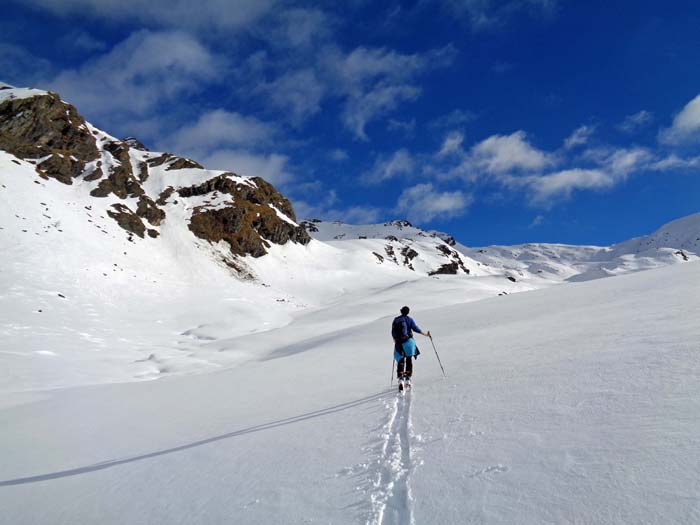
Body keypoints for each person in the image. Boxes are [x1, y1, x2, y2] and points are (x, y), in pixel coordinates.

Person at [391, 306, 431, 390]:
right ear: (408, 312)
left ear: (401, 311)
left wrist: (395, 339)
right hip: (409, 342)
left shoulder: (396, 319)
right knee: (409, 359)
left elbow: (393, 331)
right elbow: (415, 328)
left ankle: (400, 377)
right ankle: (408, 378)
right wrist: (425, 334)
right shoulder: (409, 320)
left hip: (399, 343)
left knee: (400, 360)